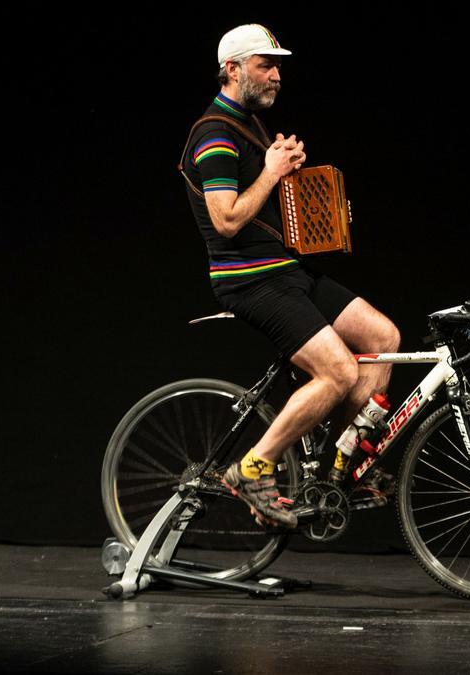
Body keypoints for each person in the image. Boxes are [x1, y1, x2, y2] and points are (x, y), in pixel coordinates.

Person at [181, 24, 400, 528]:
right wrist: (272, 172)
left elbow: (263, 204)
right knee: (340, 371)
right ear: (232, 69)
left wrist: (288, 170)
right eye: (266, 65)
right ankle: (253, 466)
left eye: (278, 65)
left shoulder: (249, 128)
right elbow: (227, 219)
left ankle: (340, 468)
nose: (277, 75)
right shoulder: (213, 133)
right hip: (250, 280)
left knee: (382, 337)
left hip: (287, 270)